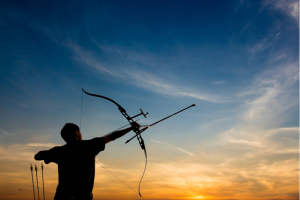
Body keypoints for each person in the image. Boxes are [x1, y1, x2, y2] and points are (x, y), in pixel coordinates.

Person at [34, 122, 140, 200]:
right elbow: (112, 136)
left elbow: (37, 156)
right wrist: (132, 127)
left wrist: (48, 152)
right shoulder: (90, 145)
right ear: (76, 133)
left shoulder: (59, 151)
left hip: (61, 196)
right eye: (80, 132)